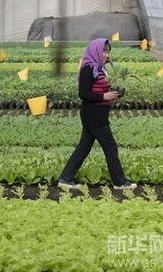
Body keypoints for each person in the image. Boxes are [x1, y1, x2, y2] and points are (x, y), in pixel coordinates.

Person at [57, 38, 137, 190]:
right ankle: (119, 182)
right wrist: (103, 97)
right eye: (104, 51)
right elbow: (83, 93)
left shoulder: (100, 69)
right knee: (110, 146)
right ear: (96, 51)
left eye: (108, 52)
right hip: (93, 114)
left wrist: (115, 92)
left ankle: (65, 179)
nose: (106, 55)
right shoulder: (89, 69)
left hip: (98, 113)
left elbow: (101, 89)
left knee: (84, 146)